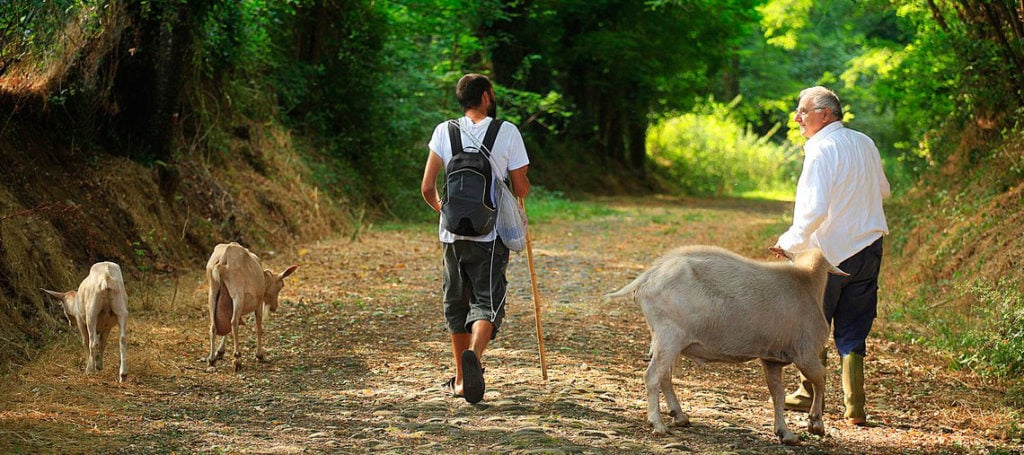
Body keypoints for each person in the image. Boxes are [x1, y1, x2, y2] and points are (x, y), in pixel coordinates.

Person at [770, 86, 890, 426]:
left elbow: (814, 210)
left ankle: (808, 394)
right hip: (868, 247)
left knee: (813, 322)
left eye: (803, 111)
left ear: (826, 114)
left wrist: (789, 241)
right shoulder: (865, 142)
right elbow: (884, 189)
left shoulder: (821, 150)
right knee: (855, 325)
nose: (797, 117)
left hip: (826, 254)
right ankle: (855, 407)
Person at [420, 73, 530, 404]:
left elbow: (427, 188)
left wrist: (445, 212)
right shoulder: (506, 131)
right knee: (487, 299)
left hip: (451, 234)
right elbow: (521, 187)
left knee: (456, 302)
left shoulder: (444, 131)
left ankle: (459, 379)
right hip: (490, 234)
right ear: (484, 97)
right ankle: (475, 359)